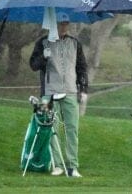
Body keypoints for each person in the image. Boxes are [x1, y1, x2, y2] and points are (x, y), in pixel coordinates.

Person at [29, 12, 88, 178]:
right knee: (51, 128)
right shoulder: (42, 43)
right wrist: (44, 57)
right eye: (61, 24)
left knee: (72, 129)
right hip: (49, 92)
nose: (64, 27)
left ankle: (72, 166)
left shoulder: (75, 43)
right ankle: (57, 164)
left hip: (70, 90)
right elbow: (33, 65)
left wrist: (83, 89)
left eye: (66, 24)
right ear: (53, 25)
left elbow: (82, 67)